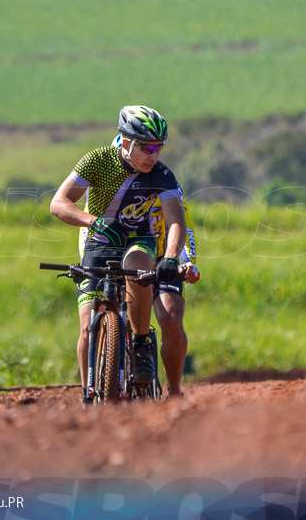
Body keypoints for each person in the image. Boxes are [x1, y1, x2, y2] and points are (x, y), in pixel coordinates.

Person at [50, 106, 188, 400]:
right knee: (87, 324)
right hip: (98, 236)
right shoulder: (98, 160)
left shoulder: (162, 175)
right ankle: (89, 391)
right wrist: (93, 221)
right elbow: (59, 203)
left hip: (140, 237)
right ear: (126, 142)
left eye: (159, 148)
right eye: (147, 148)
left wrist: (173, 258)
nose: (154, 155)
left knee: (138, 264)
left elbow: (176, 221)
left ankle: (139, 345)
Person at [77, 134, 200, 398]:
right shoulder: (103, 197)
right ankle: (90, 389)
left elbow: (182, 228)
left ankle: (175, 390)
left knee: (170, 316)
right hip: (120, 251)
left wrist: (185, 263)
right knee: (87, 321)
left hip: (164, 254)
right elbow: (87, 239)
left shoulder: (165, 186)